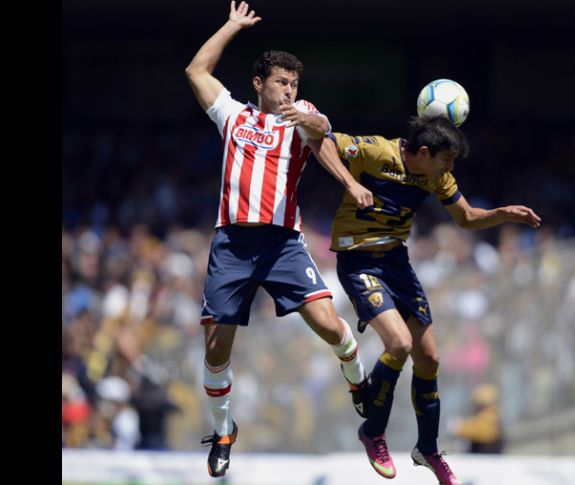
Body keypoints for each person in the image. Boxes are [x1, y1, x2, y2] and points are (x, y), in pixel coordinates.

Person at [185, 1, 374, 477]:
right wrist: (231, 26)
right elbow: (196, 70)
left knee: (330, 326)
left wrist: (350, 184)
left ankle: (359, 383)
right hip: (231, 244)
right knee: (215, 348)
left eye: (294, 83)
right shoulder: (232, 116)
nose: (289, 90)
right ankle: (225, 430)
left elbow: (321, 131)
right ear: (259, 84)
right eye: (281, 83)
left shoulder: (301, 114)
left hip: (282, 244)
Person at [310, 115, 541, 484]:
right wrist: (350, 182)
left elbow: (465, 217)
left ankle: (428, 449)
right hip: (358, 261)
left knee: (430, 357)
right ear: (422, 152)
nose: (450, 169)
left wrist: (501, 214)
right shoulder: (375, 150)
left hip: (397, 263)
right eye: (446, 160)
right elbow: (320, 140)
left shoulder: (435, 174)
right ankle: (373, 432)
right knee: (399, 343)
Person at [449, 383, 504, 454]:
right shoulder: (480, 417)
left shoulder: (493, 417)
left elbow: (485, 432)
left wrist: (460, 428)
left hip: (488, 459)